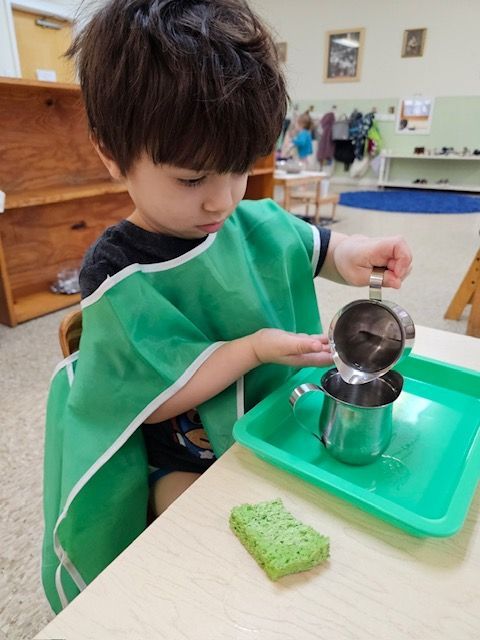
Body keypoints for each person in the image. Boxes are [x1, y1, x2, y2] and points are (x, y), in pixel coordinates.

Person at [42, 0, 412, 613]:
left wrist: (355, 253)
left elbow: (314, 247)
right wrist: (252, 349)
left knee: (350, 524)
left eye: (239, 169)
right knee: (211, 552)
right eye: (191, 180)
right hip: (183, 458)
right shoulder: (117, 271)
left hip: (273, 422)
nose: (222, 201)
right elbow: (149, 393)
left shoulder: (251, 218)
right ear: (112, 154)